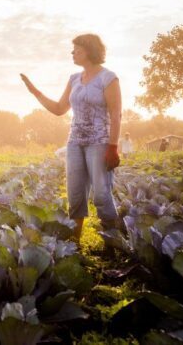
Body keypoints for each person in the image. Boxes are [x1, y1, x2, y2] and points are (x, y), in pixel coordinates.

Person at [20, 33, 121, 240]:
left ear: (89, 51)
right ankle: (76, 240)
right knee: (75, 193)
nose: (72, 52)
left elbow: (116, 114)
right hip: (75, 142)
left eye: (76, 49)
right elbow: (59, 109)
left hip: (100, 142)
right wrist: (35, 92)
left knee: (101, 193)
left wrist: (113, 146)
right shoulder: (74, 79)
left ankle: (113, 240)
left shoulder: (108, 78)